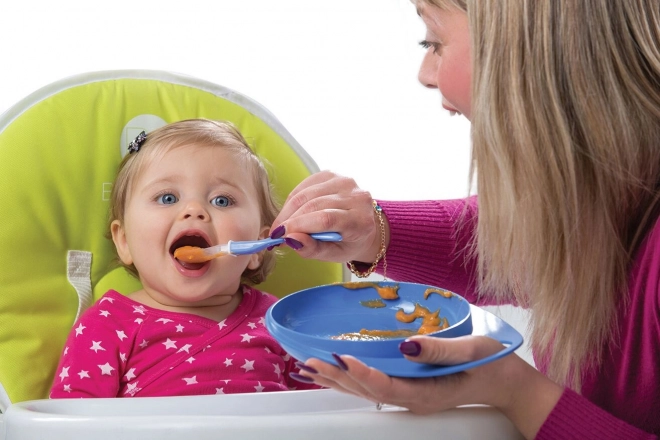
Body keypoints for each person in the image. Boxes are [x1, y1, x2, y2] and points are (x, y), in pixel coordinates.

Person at [269, 1, 660, 439]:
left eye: (434, 42)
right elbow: (539, 242)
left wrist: (516, 391)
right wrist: (377, 231)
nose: (426, 73)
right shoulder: (619, 186)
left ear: (531, 54)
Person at [49, 119, 318, 398]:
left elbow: (327, 411)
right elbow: (71, 422)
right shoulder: (106, 326)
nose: (194, 210)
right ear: (125, 241)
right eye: (167, 198)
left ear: (257, 248)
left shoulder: (281, 322)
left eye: (222, 200)